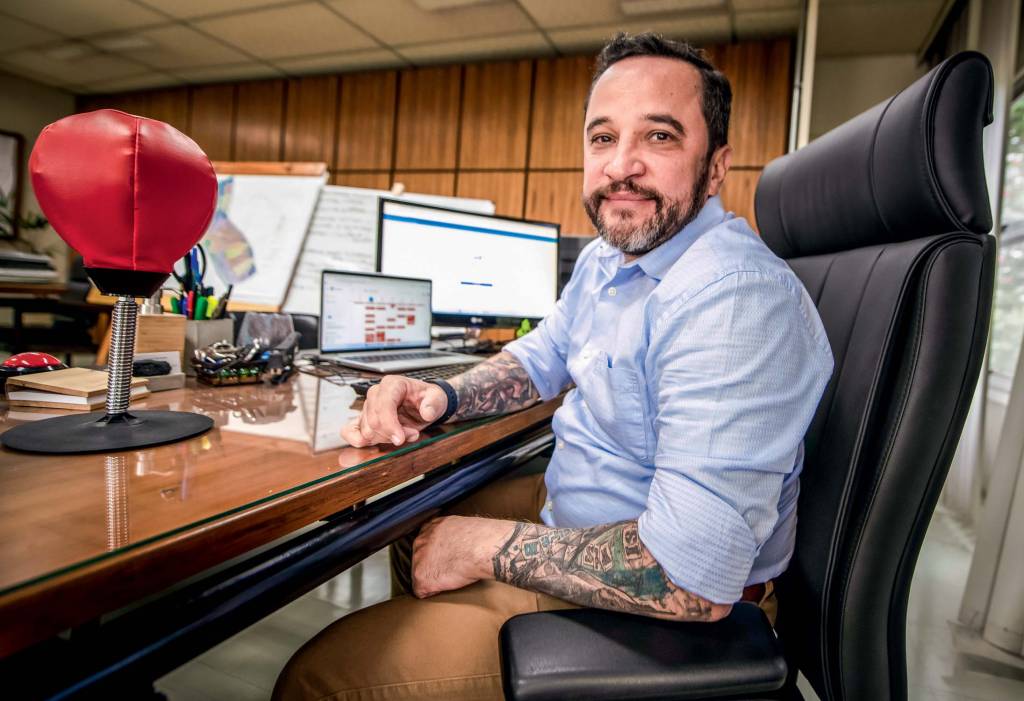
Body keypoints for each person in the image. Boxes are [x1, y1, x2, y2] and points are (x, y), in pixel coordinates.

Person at [274, 32, 833, 701]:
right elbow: (541, 356)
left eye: (659, 137)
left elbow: (691, 577)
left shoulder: (735, 299)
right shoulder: (611, 257)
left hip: (679, 617)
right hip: (588, 508)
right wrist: (441, 396)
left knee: (317, 679)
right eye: (602, 138)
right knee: (416, 523)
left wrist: (481, 545)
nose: (620, 165)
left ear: (715, 168)